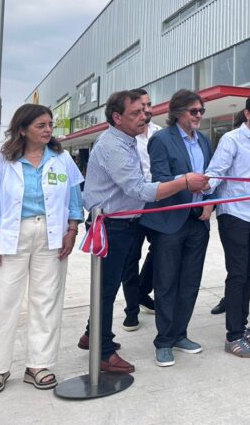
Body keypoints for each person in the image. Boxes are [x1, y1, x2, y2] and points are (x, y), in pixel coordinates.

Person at [80, 90, 209, 374]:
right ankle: (103, 351)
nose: (145, 115)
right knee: (107, 289)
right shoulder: (113, 146)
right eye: (136, 112)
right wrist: (185, 182)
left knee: (109, 285)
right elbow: (139, 189)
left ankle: (93, 335)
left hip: (128, 222)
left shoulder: (128, 141)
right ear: (117, 117)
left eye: (145, 110)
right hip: (111, 225)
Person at [0, 104, 84, 395]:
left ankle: (39, 364)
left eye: (50, 124)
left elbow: (75, 198)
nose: (49, 130)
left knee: (46, 299)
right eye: (41, 125)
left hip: (51, 233)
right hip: (13, 235)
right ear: (22, 129)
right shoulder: (2, 161)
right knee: (2, 300)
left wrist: (72, 230)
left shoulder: (61, 160)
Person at [138, 90, 213, 367]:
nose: (198, 116)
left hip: (197, 220)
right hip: (169, 221)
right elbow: (159, 180)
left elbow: (211, 177)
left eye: (201, 111)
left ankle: (180, 333)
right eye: (194, 111)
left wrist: (210, 202)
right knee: (166, 282)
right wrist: (187, 181)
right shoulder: (161, 140)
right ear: (178, 112)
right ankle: (164, 341)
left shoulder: (204, 141)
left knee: (190, 282)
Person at [205, 92, 250, 358]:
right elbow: (216, 172)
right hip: (234, 215)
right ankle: (233, 336)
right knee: (237, 274)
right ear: (247, 114)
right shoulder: (230, 140)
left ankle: (242, 327)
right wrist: (205, 198)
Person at [121, 88, 160, 330]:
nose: (146, 109)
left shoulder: (160, 134)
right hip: (132, 206)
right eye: (140, 106)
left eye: (148, 104)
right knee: (130, 258)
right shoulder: (124, 137)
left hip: (157, 203)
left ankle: (142, 291)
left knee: (159, 253)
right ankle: (131, 310)